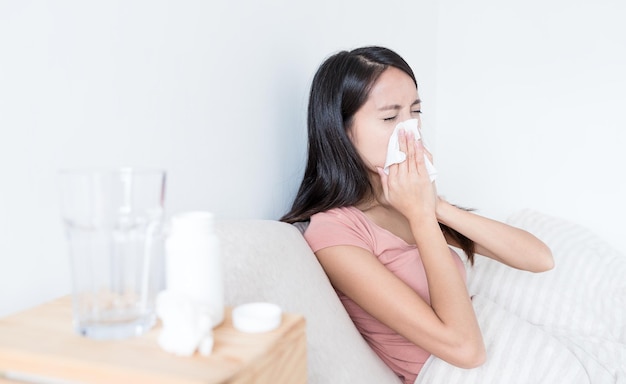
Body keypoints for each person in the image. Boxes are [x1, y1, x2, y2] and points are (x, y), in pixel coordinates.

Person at [281, 46, 554, 384]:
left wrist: (436, 207)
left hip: (527, 355)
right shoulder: (335, 233)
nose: (410, 131)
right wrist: (423, 217)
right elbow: (466, 351)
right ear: (341, 131)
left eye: (415, 111)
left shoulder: (408, 204)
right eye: (389, 117)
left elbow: (540, 258)